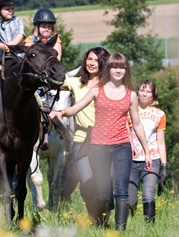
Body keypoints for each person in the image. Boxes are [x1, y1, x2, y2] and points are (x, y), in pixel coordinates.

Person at [50, 53, 152, 230]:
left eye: (121, 67)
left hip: (122, 146)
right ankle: (98, 221)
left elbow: (137, 124)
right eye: (115, 66)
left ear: (126, 70)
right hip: (98, 147)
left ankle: (120, 231)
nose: (118, 70)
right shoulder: (97, 90)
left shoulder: (131, 95)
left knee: (121, 191)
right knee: (103, 192)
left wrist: (147, 151)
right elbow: (76, 108)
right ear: (109, 69)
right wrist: (61, 112)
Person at [59, 48, 110, 206]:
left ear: (103, 63)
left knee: (103, 184)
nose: (91, 63)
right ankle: (93, 216)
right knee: (87, 184)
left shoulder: (109, 86)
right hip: (81, 141)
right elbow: (54, 82)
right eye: (89, 59)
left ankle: (102, 217)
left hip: (105, 141)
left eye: (95, 60)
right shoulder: (76, 83)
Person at [128, 79, 167, 223]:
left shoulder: (159, 114)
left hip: (152, 159)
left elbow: (161, 142)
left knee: (148, 195)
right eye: (142, 90)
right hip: (131, 159)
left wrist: (164, 165)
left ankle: (150, 228)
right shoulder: (128, 110)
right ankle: (130, 225)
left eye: (148, 91)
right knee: (130, 199)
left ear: (153, 95)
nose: (144, 94)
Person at [24, 8, 62, 113]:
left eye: (49, 26)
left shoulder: (56, 40)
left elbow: (57, 58)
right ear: (37, 27)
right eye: (44, 26)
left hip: (51, 70)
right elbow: (29, 59)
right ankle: (43, 100)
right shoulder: (30, 40)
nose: (47, 29)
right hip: (37, 71)